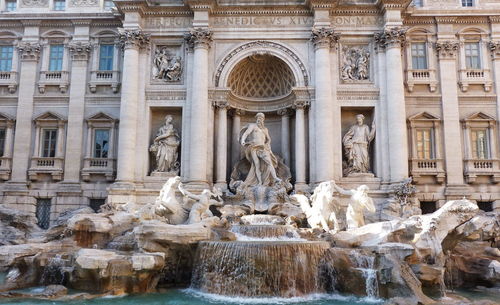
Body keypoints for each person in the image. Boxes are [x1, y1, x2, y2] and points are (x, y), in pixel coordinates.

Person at [239, 113, 281, 187]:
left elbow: (268, 139)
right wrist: (243, 140)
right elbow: (246, 133)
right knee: (257, 165)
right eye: (258, 118)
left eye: (261, 118)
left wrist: (268, 144)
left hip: (263, 147)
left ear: (263, 120)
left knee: (269, 162)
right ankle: (259, 182)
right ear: (256, 119)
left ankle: (275, 177)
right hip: (254, 147)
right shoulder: (252, 126)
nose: (259, 119)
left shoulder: (265, 129)